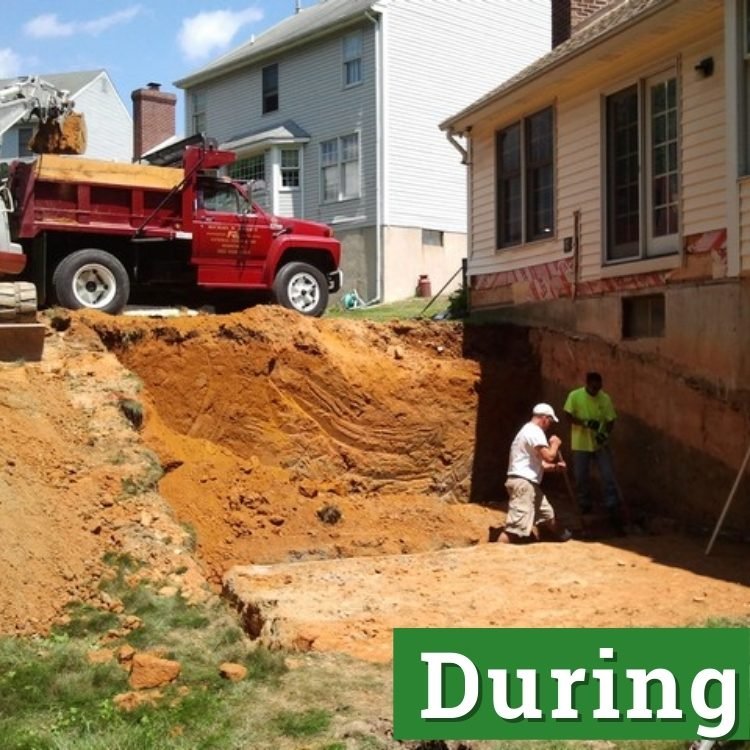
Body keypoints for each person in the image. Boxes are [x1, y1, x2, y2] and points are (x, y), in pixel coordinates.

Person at [494, 403, 572, 544]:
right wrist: (555, 444)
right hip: (524, 484)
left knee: (547, 515)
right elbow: (548, 456)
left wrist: (555, 468)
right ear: (544, 418)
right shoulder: (534, 431)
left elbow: (541, 464)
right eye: (550, 421)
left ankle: (567, 537)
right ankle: (496, 552)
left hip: (528, 484)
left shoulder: (527, 432)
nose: (550, 425)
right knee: (516, 528)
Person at [563, 372, 621, 528]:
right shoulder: (575, 396)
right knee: (581, 475)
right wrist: (584, 423)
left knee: (608, 474)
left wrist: (605, 435)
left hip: (599, 444)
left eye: (599, 387)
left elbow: (611, 420)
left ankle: (612, 505)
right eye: (594, 388)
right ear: (587, 384)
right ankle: (584, 503)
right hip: (581, 443)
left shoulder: (604, 398)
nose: (596, 391)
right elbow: (567, 415)